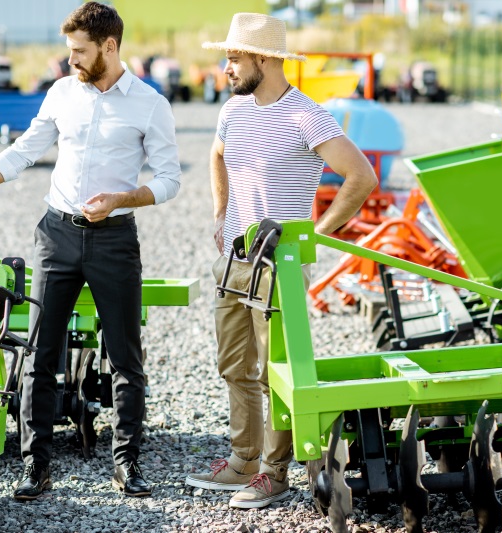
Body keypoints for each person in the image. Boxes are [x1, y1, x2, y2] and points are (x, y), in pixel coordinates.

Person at [0, 2, 180, 501]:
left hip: (114, 239)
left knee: (127, 358)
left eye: (79, 51)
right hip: (55, 235)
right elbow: (21, 153)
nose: (70, 61)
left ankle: (127, 465)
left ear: (109, 46)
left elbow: (170, 181)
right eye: (68, 51)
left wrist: (122, 199)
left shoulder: (151, 104)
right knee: (41, 353)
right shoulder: (62, 93)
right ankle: (35, 468)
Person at [185, 13, 377, 509]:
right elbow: (217, 155)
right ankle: (243, 460)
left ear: (264, 60)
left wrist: (311, 235)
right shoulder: (234, 109)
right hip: (232, 259)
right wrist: (220, 212)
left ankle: (275, 472)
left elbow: (360, 176)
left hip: (278, 267)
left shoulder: (306, 116)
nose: (226, 67)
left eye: (233, 57)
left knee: (278, 372)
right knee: (234, 365)